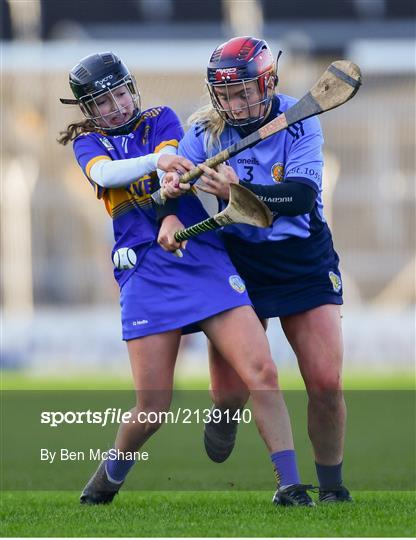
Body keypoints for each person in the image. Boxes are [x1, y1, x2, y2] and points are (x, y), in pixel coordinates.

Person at [58, 51, 314, 506]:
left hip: (202, 256)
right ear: (88, 110)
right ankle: (107, 479)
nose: (116, 106)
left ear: (132, 88)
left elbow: (173, 154)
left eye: (121, 93)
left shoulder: (160, 118)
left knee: (262, 371)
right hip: (145, 268)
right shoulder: (88, 144)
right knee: (153, 409)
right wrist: (156, 167)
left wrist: (171, 193)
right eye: (103, 102)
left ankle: (290, 485)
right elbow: (107, 173)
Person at [158, 36, 352, 503]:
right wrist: (169, 196)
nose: (238, 104)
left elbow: (301, 199)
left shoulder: (300, 119)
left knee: (325, 382)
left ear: (268, 83)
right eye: (227, 94)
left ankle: (331, 489)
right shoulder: (204, 133)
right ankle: (224, 414)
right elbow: (175, 188)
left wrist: (235, 191)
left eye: (246, 91)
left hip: (302, 256)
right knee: (229, 394)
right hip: (238, 261)